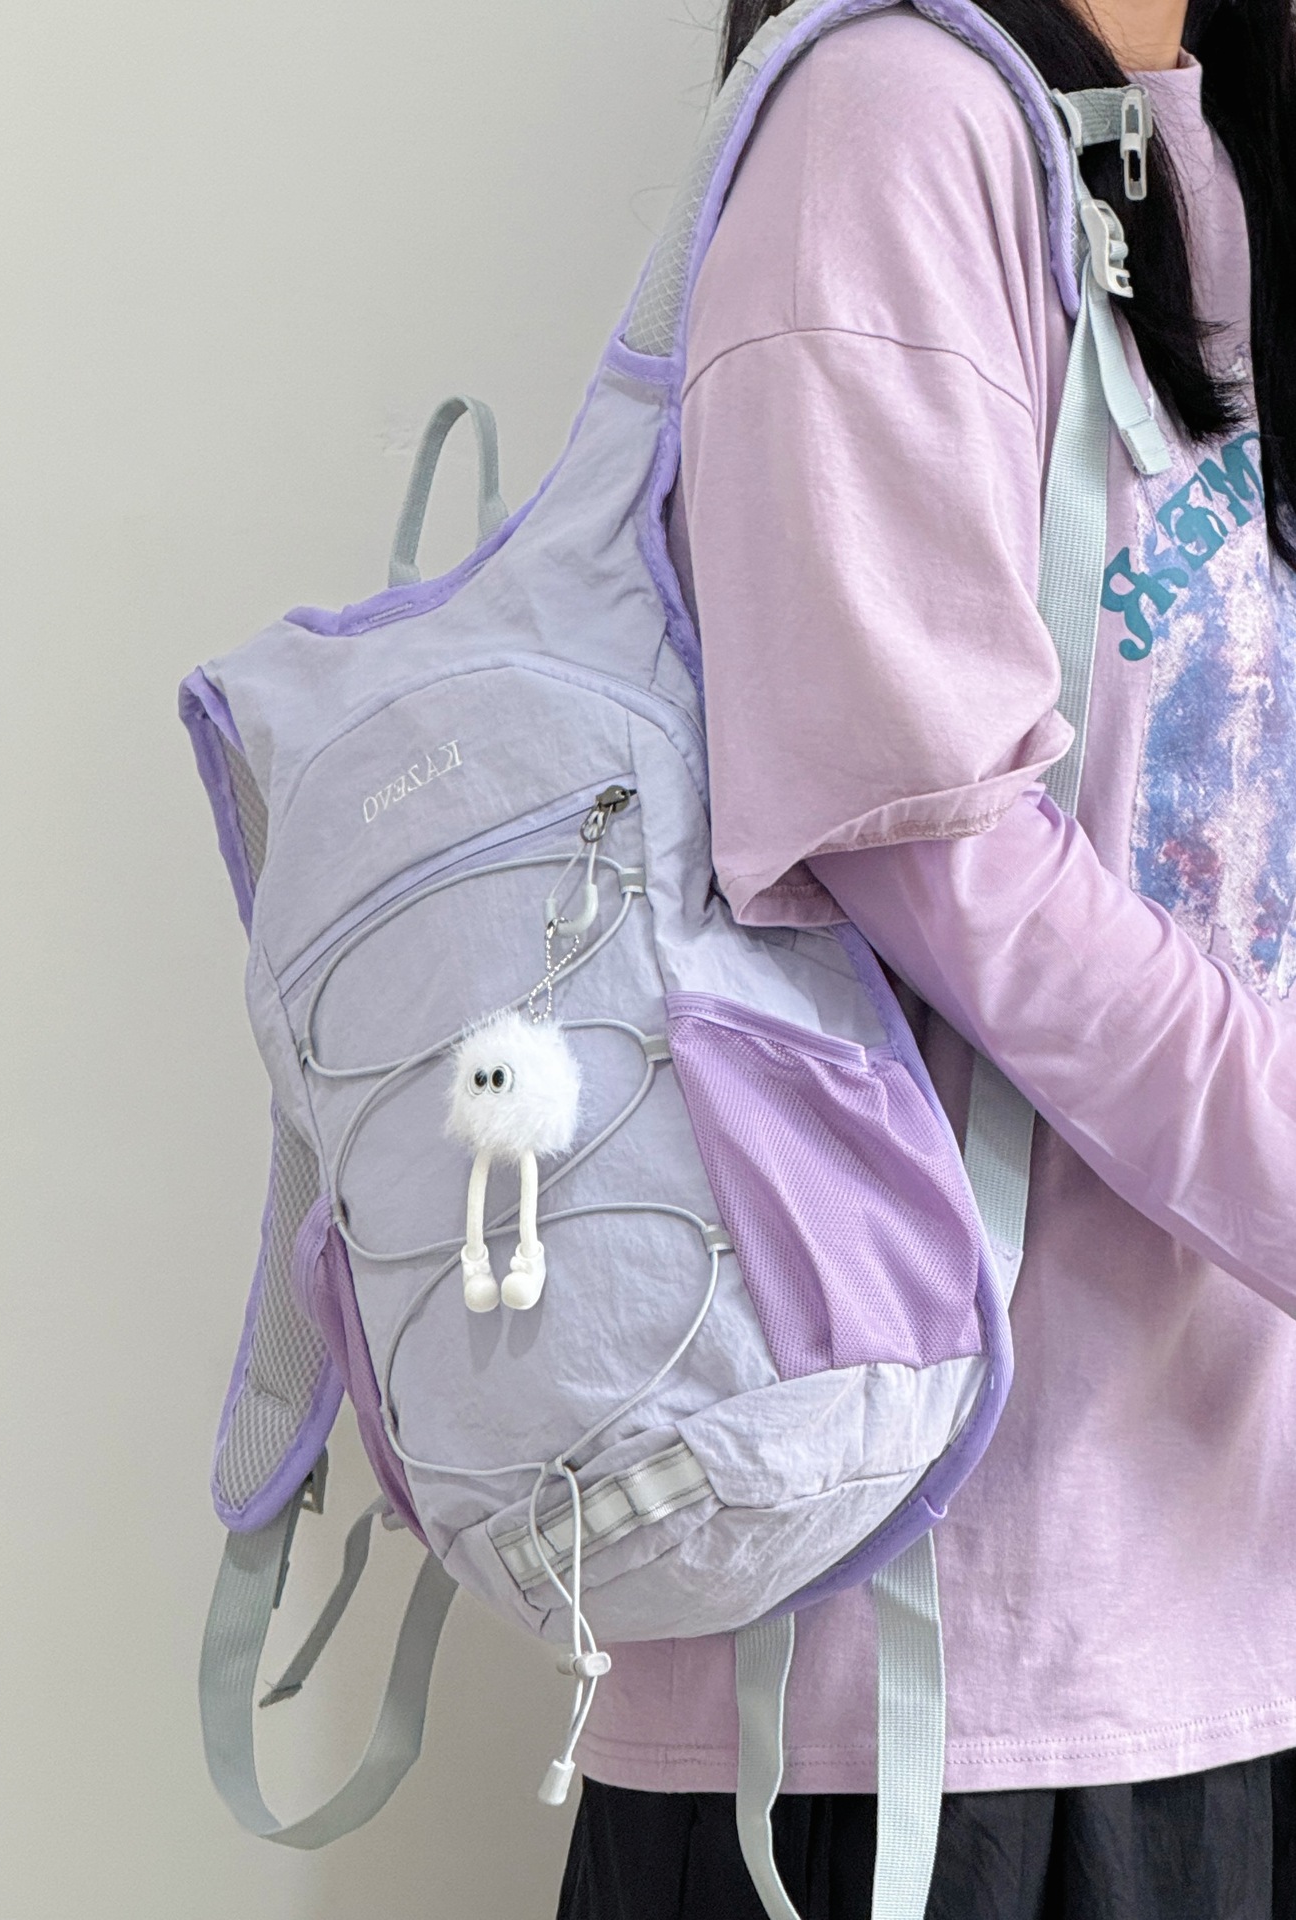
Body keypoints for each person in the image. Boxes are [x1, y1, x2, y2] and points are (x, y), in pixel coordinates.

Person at [556, 0, 1296, 1913]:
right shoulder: (889, 122)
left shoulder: (1212, 147)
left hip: (1227, 1614)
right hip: (925, 1699)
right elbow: (924, 837)